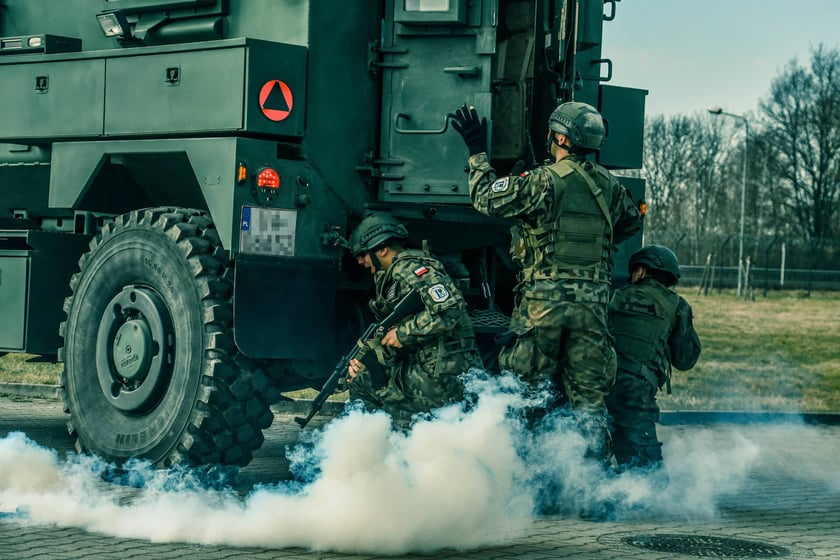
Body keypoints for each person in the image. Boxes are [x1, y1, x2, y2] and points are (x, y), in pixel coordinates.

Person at [449, 102, 642, 460]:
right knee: (589, 401)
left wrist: (476, 150)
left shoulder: (542, 180)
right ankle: (589, 489)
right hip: (593, 307)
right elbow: (630, 224)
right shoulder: (612, 188)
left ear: (559, 137)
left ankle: (525, 482)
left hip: (543, 305)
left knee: (526, 394)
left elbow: (485, 198)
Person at [345, 212, 483, 424]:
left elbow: (449, 310)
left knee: (366, 387)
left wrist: (402, 333)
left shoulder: (410, 269)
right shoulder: (394, 273)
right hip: (430, 368)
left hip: (445, 376)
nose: (360, 261)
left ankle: (392, 440)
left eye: (363, 254)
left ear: (382, 249)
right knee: (362, 377)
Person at [605, 245, 701, 472]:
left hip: (596, 385)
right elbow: (685, 360)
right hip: (636, 394)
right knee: (647, 478)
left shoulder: (611, 295)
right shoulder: (676, 306)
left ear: (640, 271)